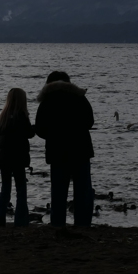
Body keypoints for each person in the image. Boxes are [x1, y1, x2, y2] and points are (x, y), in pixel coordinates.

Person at [35, 71, 95, 227]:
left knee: (59, 193)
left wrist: (54, 135)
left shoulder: (47, 102)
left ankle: (57, 224)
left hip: (57, 152)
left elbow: (40, 129)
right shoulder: (80, 98)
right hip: (81, 150)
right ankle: (82, 224)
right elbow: (90, 122)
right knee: (82, 191)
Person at [0, 87, 35, 227]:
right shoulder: (21, 116)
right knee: (21, 189)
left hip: (4, 157)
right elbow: (29, 133)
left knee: (5, 189)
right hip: (17, 157)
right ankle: (21, 220)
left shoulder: (3, 117)